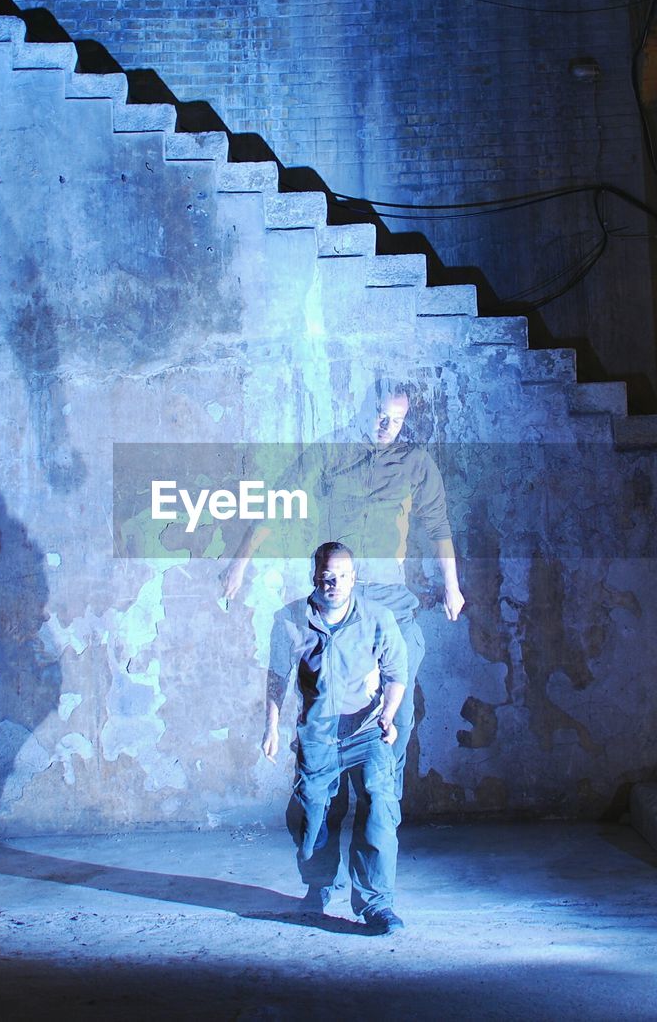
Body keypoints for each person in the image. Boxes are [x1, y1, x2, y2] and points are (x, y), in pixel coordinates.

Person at [225, 378, 464, 789]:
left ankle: (382, 803)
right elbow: (280, 498)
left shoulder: (414, 460)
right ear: (361, 408)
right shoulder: (330, 451)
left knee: (398, 711)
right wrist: (239, 563)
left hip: (390, 600)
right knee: (326, 708)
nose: (386, 426)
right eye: (379, 415)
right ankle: (322, 806)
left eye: (397, 421)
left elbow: (438, 522)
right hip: (338, 603)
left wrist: (452, 585)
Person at [263, 541, 408, 934]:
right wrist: (270, 727)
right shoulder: (290, 620)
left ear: (353, 578)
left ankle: (377, 904)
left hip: (366, 731)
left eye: (343, 576)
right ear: (316, 577)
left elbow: (396, 674)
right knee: (312, 815)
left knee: (379, 804)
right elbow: (278, 676)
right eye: (328, 577)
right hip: (318, 734)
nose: (335, 584)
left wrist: (389, 716)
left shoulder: (378, 619)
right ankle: (319, 884)